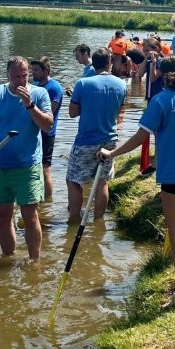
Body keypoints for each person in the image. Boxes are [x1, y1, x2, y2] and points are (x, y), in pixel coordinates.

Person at [99, 56, 175, 307]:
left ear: (159, 75)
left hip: (173, 175)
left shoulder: (160, 101)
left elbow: (140, 137)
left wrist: (111, 153)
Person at [0, 56, 53, 260]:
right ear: (7, 75)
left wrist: (29, 105)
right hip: (0, 166)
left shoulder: (39, 93)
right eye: (16, 76)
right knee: (2, 214)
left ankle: (35, 263)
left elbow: (47, 125)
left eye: (24, 75)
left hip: (28, 165)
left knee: (30, 215)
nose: (21, 80)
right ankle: (8, 260)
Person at [67, 48, 127, 221]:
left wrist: (79, 100)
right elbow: (119, 111)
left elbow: (72, 113)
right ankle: (98, 221)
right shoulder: (121, 84)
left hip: (86, 140)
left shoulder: (83, 83)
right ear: (110, 62)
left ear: (94, 63)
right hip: (110, 139)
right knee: (102, 182)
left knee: (73, 180)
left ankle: (74, 219)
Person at [30, 56, 63, 199]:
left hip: (46, 134)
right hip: (33, 133)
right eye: (32, 70)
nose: (33, 73)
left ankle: (48, 202)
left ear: (46, 70)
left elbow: (51, 111)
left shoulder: (54, 88)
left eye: (36, 70)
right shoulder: (35, 85)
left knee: (45, 169)